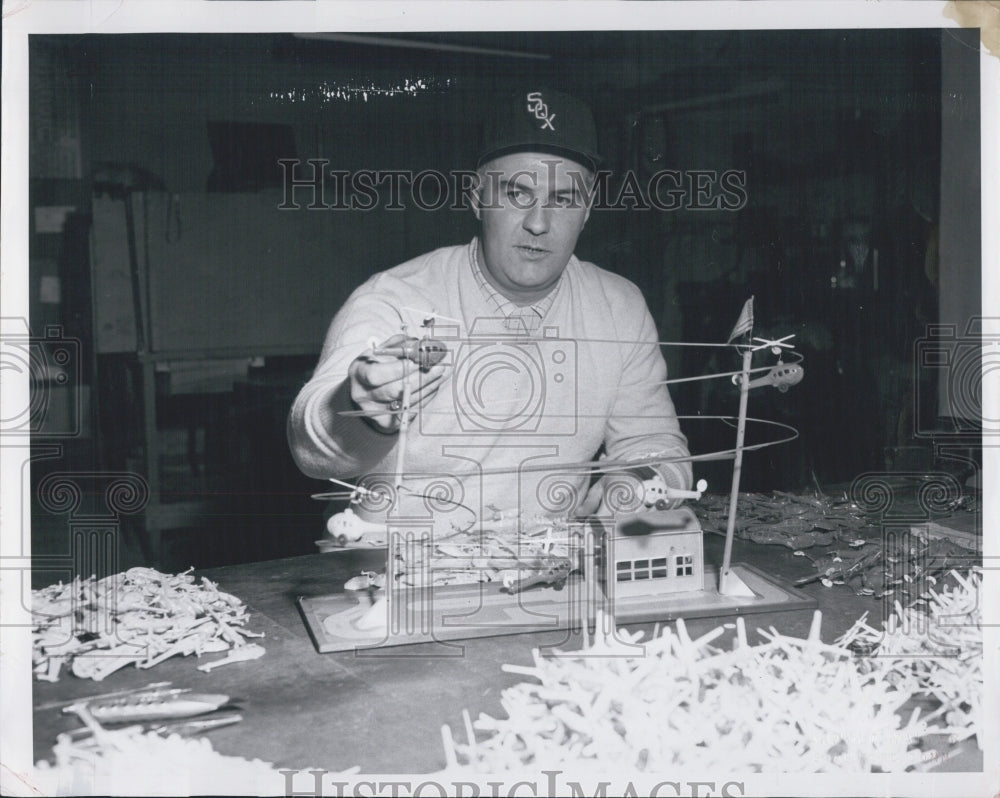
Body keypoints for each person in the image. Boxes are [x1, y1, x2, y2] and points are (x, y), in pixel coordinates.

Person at [288, 89, 691, 533]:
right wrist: (360, 409)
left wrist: (636, 486)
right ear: (477, 197)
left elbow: (656, 448)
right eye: (517, 194)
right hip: (392, 567)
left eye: (563, 199)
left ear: (589, 208)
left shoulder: (619, 307)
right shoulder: (393, 299)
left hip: (547, 570)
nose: (539, 223)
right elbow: (310, 450)